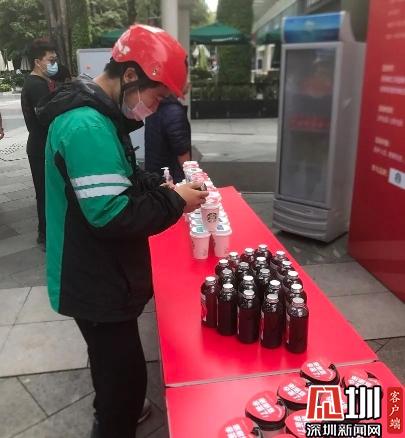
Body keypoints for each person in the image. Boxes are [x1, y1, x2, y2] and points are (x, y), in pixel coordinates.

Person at [37, 24, 208, 438]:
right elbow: (111, 214)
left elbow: (123, 180)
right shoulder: (87, 126)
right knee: (125, 387)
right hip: (93, 279)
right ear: (130, 75)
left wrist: (160, 188)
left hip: (98, 271)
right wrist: (175, 202)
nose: (154, 107)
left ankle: (112, 406)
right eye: (157, 96)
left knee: (112, 370)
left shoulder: (99, 116)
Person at [21, 39, 58, 245]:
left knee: (45, 192)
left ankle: (46, 232)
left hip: (39, 145)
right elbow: (47, 116)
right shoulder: (36, 85)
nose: (54, 64)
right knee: (45, 193)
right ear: (37, 61)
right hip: (41, 147)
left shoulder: (40, 82)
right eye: (50, 60)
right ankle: (45, 234)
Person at [144, 86, 192, 183]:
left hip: (155, 173)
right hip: (173, 177)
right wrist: (191, 179)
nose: (188, 83)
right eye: (185, 79)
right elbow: (182, 152)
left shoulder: (155, 106)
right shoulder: (174, 111)